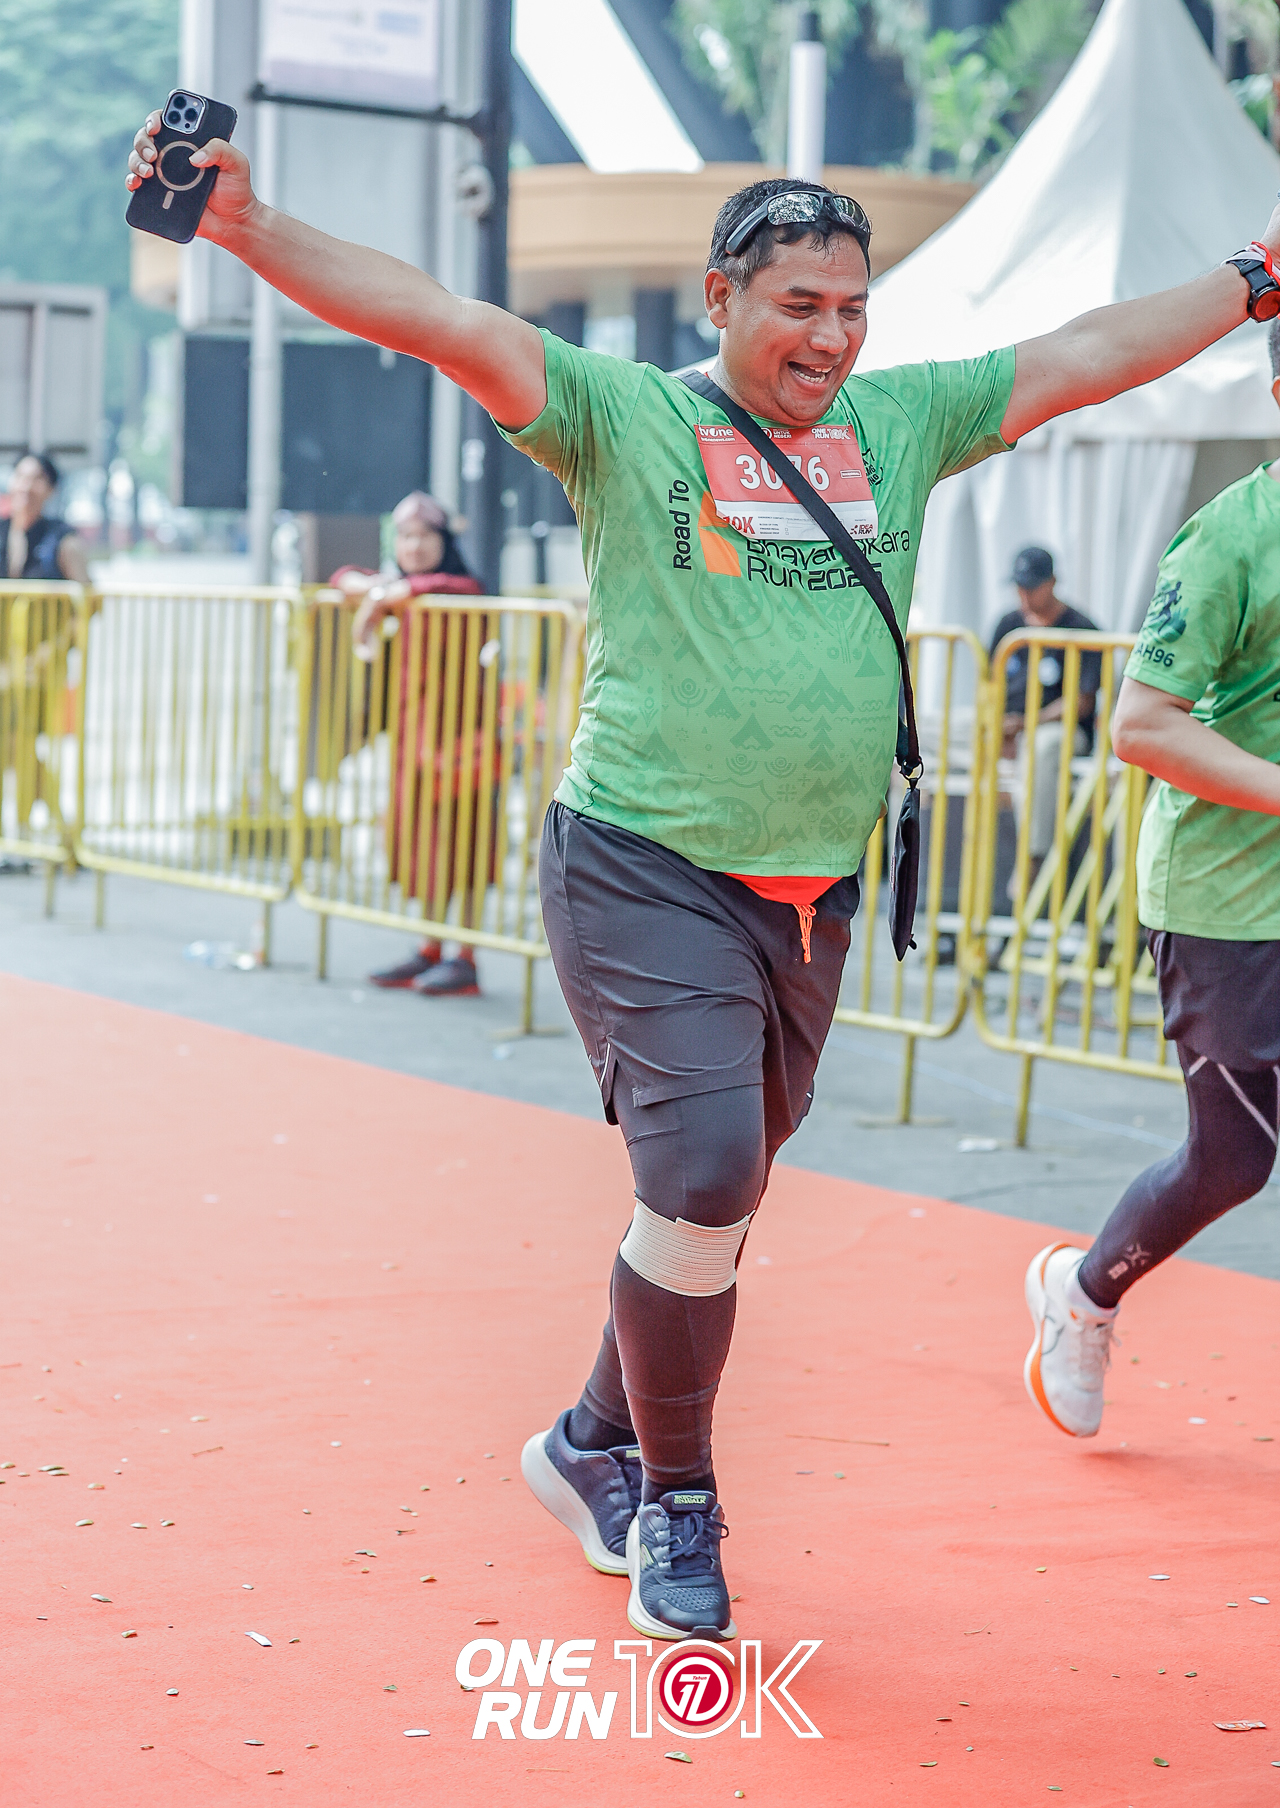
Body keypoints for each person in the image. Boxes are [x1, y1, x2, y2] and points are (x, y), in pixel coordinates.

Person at [125, 104, 1280, 1641]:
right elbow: (438, 317)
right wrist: (245, 227)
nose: (833, 337)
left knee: (710, 1209)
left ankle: (588, 1439)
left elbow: (1090, 354)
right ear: (722, 295)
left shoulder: (902, 424)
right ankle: (675, 1500)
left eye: (854, 307)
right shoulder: (625, 417)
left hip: (811, 895)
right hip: (641, 866)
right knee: (706, 1173)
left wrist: (1254, 276)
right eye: (800, 304)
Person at [1024, 319, 1280, 1441]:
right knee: (1233, 1160)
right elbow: (1140, 726)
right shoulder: (1229, 539)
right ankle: (1081, 1295)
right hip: (1227, 899)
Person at [330, 491, 487, 999]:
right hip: (413, 744)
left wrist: (393, 593)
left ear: (444, 541)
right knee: (423, 847)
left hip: (463, 742)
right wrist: (380, 591)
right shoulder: (400, 590)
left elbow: (460, 586)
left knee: (465, 848)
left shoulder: (458, 589)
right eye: (404, 536)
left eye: (424, 535)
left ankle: (465, 956)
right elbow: (341, 578)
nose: (413, 546)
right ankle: (430, 947)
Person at [990, 546, 1100, 889]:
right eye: (1019, 586)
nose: (1023, 595)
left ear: (1051, 583)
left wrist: (1024, 725)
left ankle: (1033, 856)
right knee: (938, 730)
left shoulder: (1082, 628)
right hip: (1010, 727)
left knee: (1041, 746)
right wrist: (996, 726)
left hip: (1061, 731)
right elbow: (988, 686)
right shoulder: (1008, 625)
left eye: (1031, 586)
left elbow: (1080, 703)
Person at [2, 454, 90, 583]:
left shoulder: (62, 540)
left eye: (36, 479)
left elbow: (85, 589)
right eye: (20, 476)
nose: (25, 487)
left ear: (51, 489)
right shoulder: (3, 531)